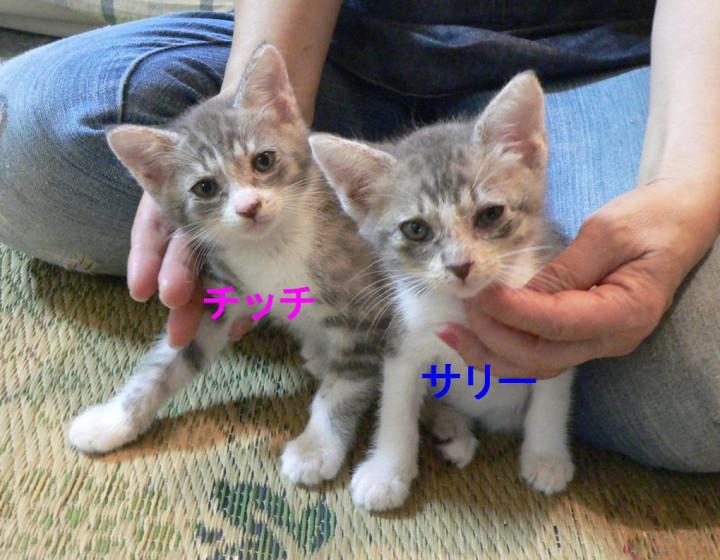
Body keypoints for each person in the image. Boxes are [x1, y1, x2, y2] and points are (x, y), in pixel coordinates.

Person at [0, 0, 717, 472]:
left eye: (250, 174)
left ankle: (391, 311)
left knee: (693, 383)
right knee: (28, 129)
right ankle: (374, 255)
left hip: (583, 62)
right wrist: (254, 111)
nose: (241, 200)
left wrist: (683, 185)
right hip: (342, 51)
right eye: (215, 191)